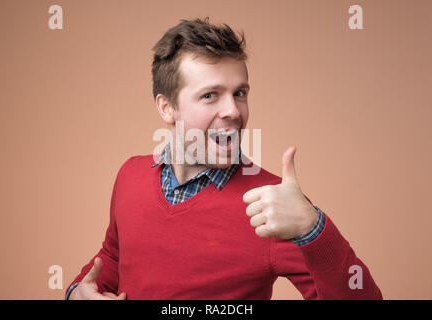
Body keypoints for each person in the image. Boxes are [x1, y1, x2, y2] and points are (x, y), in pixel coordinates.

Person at [65, 17, 382, 300]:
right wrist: (77, 292)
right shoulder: (130, 175)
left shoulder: (271, 204)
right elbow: (114, 256)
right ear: (166, 108)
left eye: (240, 93)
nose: (233, 111)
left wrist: (313, 229)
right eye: (210, 95)